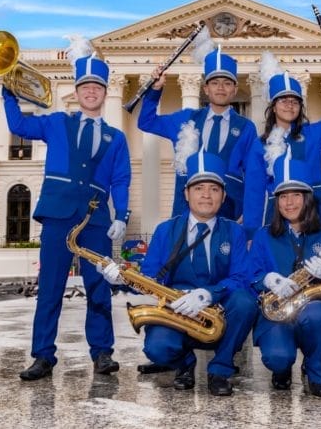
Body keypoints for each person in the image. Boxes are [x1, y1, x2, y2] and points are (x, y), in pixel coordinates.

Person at [2, 39, 131, 381]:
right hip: (58, 214)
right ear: (76, 92)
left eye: (97, 87)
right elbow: (19, 126)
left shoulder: (116, 138)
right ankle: (42, 356)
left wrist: (122, 216)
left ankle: (102, 353)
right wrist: (8, 93)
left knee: (99, 288)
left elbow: (121, 179)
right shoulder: (57, 122)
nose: (91, 91)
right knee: (50, 287)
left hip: (95, 219)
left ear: (105, 93)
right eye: (85, 86)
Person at [100, 151, 258, 396]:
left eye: (214, 189)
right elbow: (150, 278)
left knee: (245, 302)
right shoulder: (165, 230)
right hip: (177, 312)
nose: (206, 195)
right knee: (157, 349)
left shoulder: (234, 232)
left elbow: (242, 278)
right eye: (199, 188)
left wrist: (207, 294)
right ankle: (185, 364)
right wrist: (121, 278)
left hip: (219, 312)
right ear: (186, 193)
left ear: (223, 196)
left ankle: (220, 369)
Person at [246, 152, 321, 397]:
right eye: (283, 196)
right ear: (276, 201)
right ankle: (282, 368)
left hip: (311, 310)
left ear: (308, 199)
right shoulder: (263, 235)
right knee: (278, 358)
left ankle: (315, 373)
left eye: (296, 195)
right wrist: (268, 280)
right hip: (275, 312)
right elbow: (250, 275)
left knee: (319, 315)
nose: (289, 203)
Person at [138, 38, 256, 221]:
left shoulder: (246, 127)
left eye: (227, 83)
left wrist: (248, 212)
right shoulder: (185, 119)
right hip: (186, 211)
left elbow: (253, 173)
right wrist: (155, 90)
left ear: (234, 89)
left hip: (231, 211)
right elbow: (146, 122)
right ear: (206, 89)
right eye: (215, 83)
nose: (221, 88)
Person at [242, 51, 321, 237]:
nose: (290, 105)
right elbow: (254, 193)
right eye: (284, 100)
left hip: (315, 212)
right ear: (273, 106)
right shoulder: (259, 145)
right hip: (277, 216)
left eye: (295, 101)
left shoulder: (313, 134)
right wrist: (251, 234)